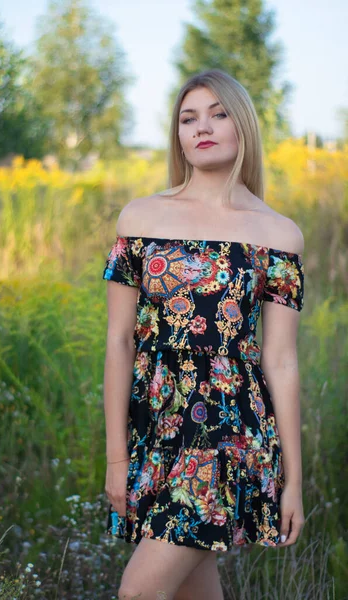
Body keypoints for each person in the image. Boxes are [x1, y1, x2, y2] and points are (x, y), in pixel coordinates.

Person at [102, 68, 305, 600]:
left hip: (229, 430)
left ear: (242, 127)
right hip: (155, 427)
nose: (202, 127)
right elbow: (120, 342)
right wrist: (117, 458)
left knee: (139, 592)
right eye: (188, 118)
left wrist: (295, 481)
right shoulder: (140, 218)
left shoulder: (279, 234)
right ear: (177, 134)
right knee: (194, 589)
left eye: (218, 114)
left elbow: (281, 362)